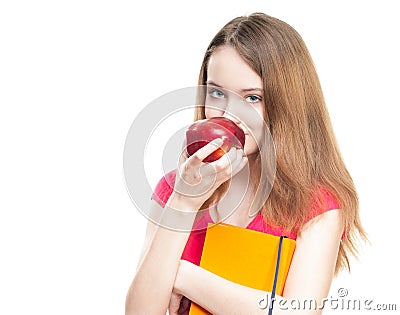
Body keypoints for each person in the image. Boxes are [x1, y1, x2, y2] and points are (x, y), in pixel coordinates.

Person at [125, 12, 366, 314]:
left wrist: (182, 275)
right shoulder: (174, 189)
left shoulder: (317, 205)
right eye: (216, 93)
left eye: (252, 98)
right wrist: (184, 203)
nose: (228, 113)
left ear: (287, 104)